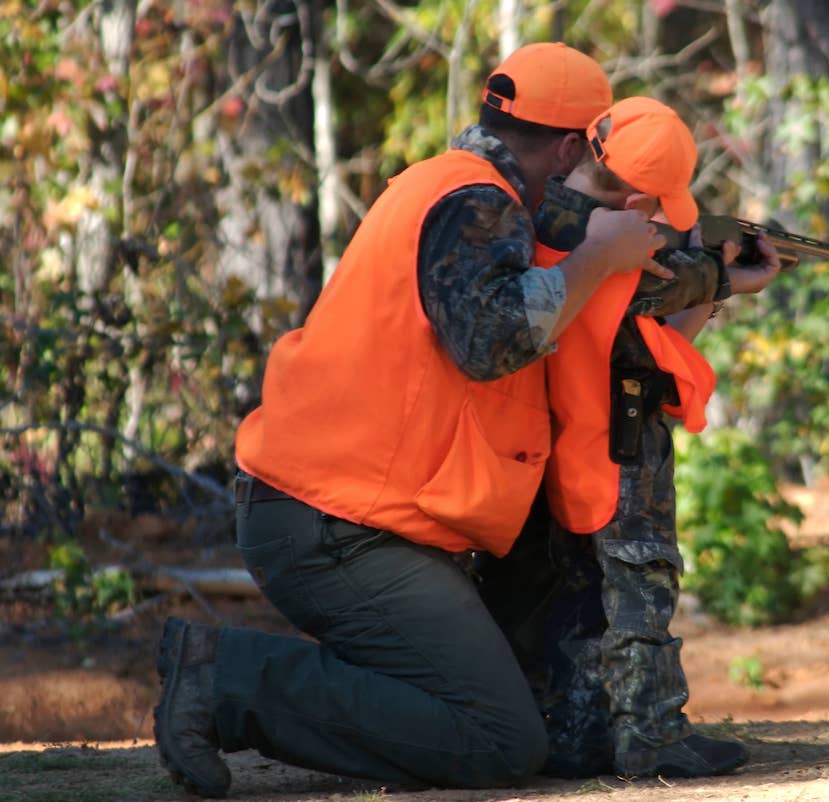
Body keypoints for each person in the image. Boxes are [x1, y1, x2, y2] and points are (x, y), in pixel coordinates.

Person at [152, 42, 673, 798]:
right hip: (337, 528)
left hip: (347, 515)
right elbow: (491, 340)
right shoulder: (477, 201)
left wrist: (704, 282)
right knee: (500, 740)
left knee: (517, 717)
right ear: (568, 148)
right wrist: (596, 257)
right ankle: (227, 679)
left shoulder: (447, 184)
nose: (597, 175)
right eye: (596, 157)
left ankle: (240, 680)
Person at [477, 97, 782, 780]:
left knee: (581, 596)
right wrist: (722, 275)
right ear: (640, 198)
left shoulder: (537, 218)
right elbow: (666, 305)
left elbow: (649, 327)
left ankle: (581, 735)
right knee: (643, 586)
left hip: (558, 446)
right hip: (618, 441)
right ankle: (652, 733)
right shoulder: (618, 249)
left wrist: (713, 277)